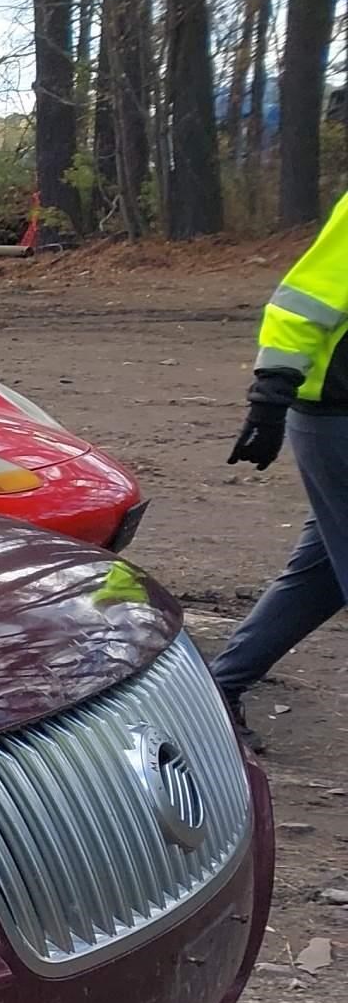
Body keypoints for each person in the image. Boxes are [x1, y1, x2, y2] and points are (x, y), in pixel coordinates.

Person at [211, 190, 348, 735]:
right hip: (336, 414)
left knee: (321, 576)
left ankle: (219, 690)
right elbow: (300, 303)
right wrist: (271, 396)